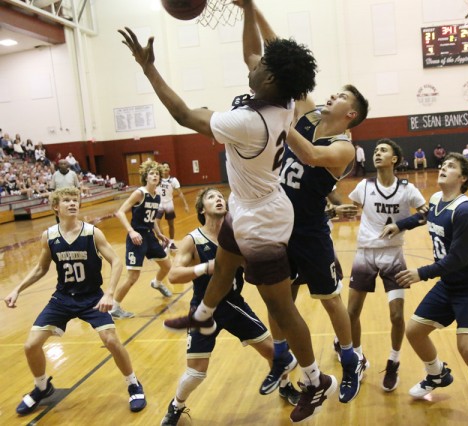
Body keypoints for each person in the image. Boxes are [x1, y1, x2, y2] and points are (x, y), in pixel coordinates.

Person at [119, 1, 329, 422]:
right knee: (224, 265)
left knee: (281, 307)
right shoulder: (281, 97)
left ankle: (314, 379)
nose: (253, 62)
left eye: (262, 65)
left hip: (264, 219)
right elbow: (252, 52)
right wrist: (248, 7)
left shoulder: (249, 122)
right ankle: (203, 316)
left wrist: (148, 68)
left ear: (270, 78)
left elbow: (182, 114)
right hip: (250, 204)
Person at [247, 1, 369, 405]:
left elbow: (311, 156)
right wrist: (251, 8)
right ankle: (281, 357)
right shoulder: (308, 112)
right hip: (277, 221)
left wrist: (281, 123)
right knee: (278, 297)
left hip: (310, 230)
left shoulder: (343, 147)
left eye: (341, 96)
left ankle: (350, 360)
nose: (332, 95)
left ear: (351, 113)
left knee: (330, 299)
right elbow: (282, 54)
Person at [381, 153, 468, 426]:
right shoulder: (438, 199)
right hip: (449, 284)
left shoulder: (467, 211)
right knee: (414, 331)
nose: (443, 168)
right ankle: (437, 374)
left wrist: (421, 273)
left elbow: (459, 259)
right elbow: (424, 216)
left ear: (463, 178)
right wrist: (398, 225)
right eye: (443, 164)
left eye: (450, 166)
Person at [161, 188, 300, 425]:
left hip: (234, 305)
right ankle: (176, 406)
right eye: (211, 197)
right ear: (201, 210)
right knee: (196, 373)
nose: (218, 199)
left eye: (220, 197)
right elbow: (174, 275)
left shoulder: (236, 237)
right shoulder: (193, 239)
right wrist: (206, 267)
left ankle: (285, 386)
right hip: (203, 309)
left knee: (274, 352)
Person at [3, 187, 147, 416]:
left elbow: (116, 261)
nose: (72, 203)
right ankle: (42, 386)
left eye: (75, 200)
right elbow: (41, 268)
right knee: (31, 345)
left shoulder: (92, 233)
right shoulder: (49, 236)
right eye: (67, 200)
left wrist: (110, 293)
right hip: (63, 298)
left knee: (111, 340)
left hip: (92, 297)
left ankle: (133, 383)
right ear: (55, 207)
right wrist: (17, 289)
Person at [347, 139, 426, 393]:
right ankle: (357, 358)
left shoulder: (407, 189)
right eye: (376, 150)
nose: (377, 153)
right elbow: (350, 208)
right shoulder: (364, 186)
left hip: (393, 255)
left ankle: (394, 361)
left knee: (396, 316)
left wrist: (400, 225)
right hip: (365, 253)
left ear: (394, 159)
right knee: (351, 313)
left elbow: (426, 214)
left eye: (383, 150)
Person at [109, 160, 172, 319]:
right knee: (133, 277)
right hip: (136, 237)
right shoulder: (139, 193)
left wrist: (159, 233)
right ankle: (114, 308)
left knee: (167, 266)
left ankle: (156, 283)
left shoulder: (157, 196)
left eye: (157, 174)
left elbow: (152, 219)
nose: (155, 176)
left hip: (150, 236)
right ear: (145, 177)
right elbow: (120, 212)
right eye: (151, 173)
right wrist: (131, 232)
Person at [156, 161, 189, 251]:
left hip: (169, 203)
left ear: (169, 169)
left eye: (167, 167)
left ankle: (172, 242)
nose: (165, 169)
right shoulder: (157, 179)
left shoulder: (173, 180)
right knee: (156, 223)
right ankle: (164, 241)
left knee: (171, 224)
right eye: (163, 167)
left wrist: (185, 204)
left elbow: (180, 193)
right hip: (159, 204)